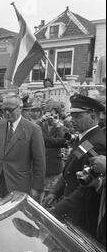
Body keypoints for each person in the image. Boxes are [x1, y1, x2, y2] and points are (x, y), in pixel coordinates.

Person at [44, 95, 106, 239]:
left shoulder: (97, 142)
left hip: (81, 215)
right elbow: (70, 169)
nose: (72, 120)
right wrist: (55, 191)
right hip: (71, 209)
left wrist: (58, 210)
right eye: (72, 115)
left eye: (78, 116)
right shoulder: (87, 139)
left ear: (93, 115)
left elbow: (86, 188)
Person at [0, 93, 46, 200]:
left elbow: (39, 161)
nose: (6, 113)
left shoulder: (33, 129)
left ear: (20, 108)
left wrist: (36, 187)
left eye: (10, 110)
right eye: (3, 109)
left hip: (19, 184)